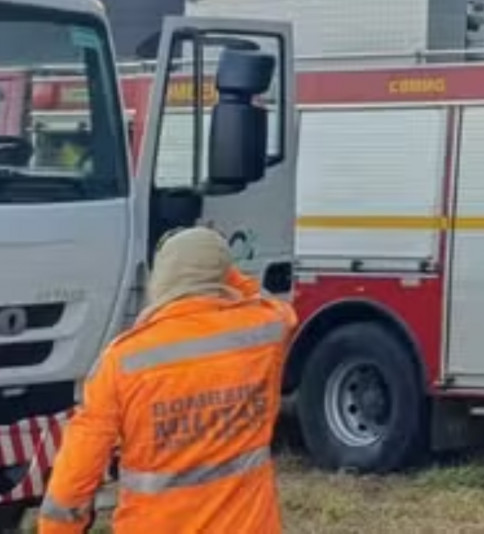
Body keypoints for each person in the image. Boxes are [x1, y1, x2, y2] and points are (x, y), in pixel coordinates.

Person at [37, 227, 298, 533]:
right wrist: (227, 274)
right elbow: (268, 302)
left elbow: (76, 472)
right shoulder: (264, 333)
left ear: (163, 275)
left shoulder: (123, 361)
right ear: (225, 275)